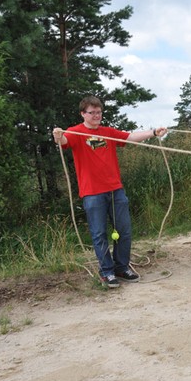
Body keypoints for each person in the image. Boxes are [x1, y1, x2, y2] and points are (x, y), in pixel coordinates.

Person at [52, 96, 167, 289]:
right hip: (92, 193)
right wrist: (57, 135)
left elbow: (130, 137)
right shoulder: (75, 132)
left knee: (124, 231)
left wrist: (154, 132)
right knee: (99, 234)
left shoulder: (108, 132)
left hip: (115, 190)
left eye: (99, 112)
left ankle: (122, 268)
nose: (96, 116)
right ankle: (107, 272)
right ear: (83, 114)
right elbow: (63, 141)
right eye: (92, 112)